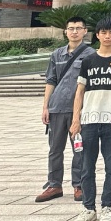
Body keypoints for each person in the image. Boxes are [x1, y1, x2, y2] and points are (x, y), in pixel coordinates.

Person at [69, 16, 111, 221]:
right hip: (89, 121)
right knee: (87, 167)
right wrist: (76, 119)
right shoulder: (88, 61)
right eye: (103, 32)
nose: (107, 36)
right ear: (97, 35)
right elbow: (80, 91)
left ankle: (107, 206)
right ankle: (88, 208)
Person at [37, 15, 94, 203]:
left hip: (78, 110)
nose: (74, 32)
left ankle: (79, 185)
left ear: (85, 31)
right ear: (65, 31)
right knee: (55, 149)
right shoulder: (57, 54)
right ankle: (54, 185)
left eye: (78, 28)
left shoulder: (91, 54)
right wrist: (46, 106)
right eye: (71, 28)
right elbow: (51, 80)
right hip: (56, 109)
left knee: (79, 148)